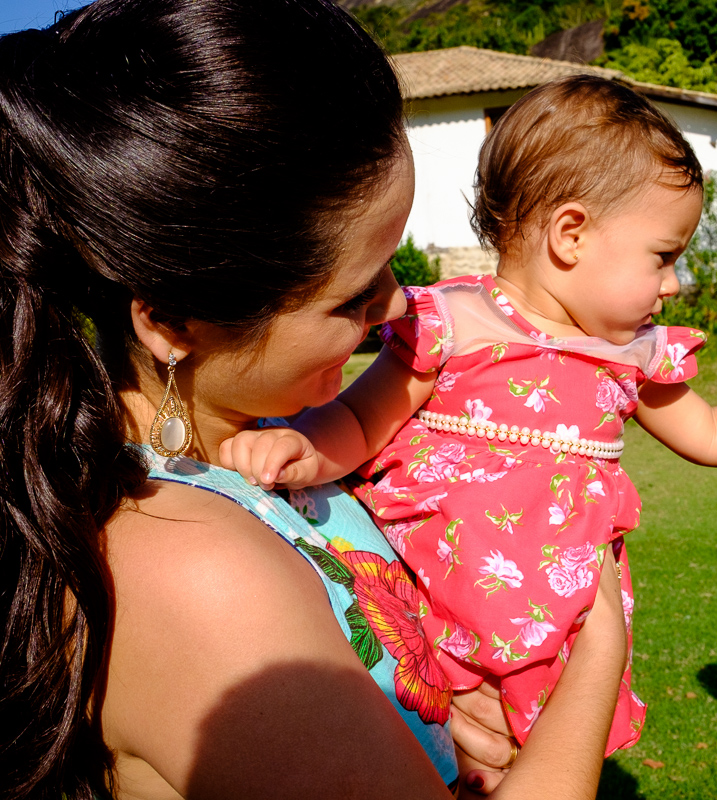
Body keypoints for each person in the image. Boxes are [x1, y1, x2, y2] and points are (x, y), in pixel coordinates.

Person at [0, 3, 629, 799]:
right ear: (174, 322)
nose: (398, 306)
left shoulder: (286, 448)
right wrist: (596, 653)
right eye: (353, 297)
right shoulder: (195, 569)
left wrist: (430, 716)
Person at [222, 75, 717, 756]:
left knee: (535, 760)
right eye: (664, 257)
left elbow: (711, 429)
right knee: (428, 760)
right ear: (571, 235)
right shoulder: (453, 324)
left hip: (559, 633)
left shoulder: (631, 354)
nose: (674, 283)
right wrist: (309, 450)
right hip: (431, 618)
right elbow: (365, 422)